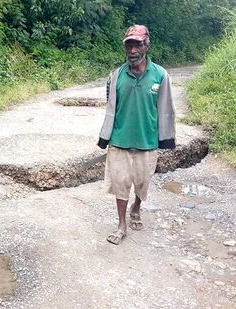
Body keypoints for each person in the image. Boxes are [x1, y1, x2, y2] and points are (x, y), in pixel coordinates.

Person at [97, 25, 175, 245]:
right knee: (120, 184)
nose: (132, 50)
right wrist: (106, 137)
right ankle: (121, 224)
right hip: (120, 140)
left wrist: (165, 139)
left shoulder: (160, 75)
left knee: (142, 183)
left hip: (147, 140)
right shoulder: (116, 76)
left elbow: (166, 108)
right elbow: (111, 107)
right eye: (129, 45)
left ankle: (137, 206)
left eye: (137, 44)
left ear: (146, 45)